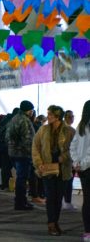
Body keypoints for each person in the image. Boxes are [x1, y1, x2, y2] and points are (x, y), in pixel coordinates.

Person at [32, 105, 74, 236]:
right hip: (47, 169)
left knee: (58, 198)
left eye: (50, 114)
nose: (47, 116)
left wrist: (64, 157)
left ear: (57, 117)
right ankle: (51, 224)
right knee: (50, 198)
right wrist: (39, 164)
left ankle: (55, 222)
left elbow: (74, 149)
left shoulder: (70, 131)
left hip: (63, 169)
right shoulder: (43, 130)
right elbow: (35, 146)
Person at [6, 100, 35, 210]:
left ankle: (20, 201)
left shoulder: (13, 119)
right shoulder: (24, 120)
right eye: (31, 110)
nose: (32, 112)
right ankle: (20, 202)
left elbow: (7, 137)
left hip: (13, 153)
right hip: (22, 154)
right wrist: (31, 154)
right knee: (22, 179)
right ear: (28, 110)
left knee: (20, 178)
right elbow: (27, 140)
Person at [70, 100, 90, 242]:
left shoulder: (81, 126)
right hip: (86, 167)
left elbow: (73, 146)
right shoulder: (82, 126)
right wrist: (80, 163)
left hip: (83, 169)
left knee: (87, 200)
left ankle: (87, 232)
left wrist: (77, 162)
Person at [62, 110, 77, 210]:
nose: (72, 118)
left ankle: (65, 201)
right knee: (68, 181)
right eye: (70, 116)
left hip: (63, 158)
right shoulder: (71, 130)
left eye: (73, 116)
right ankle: (67, 202)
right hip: (68, 159)